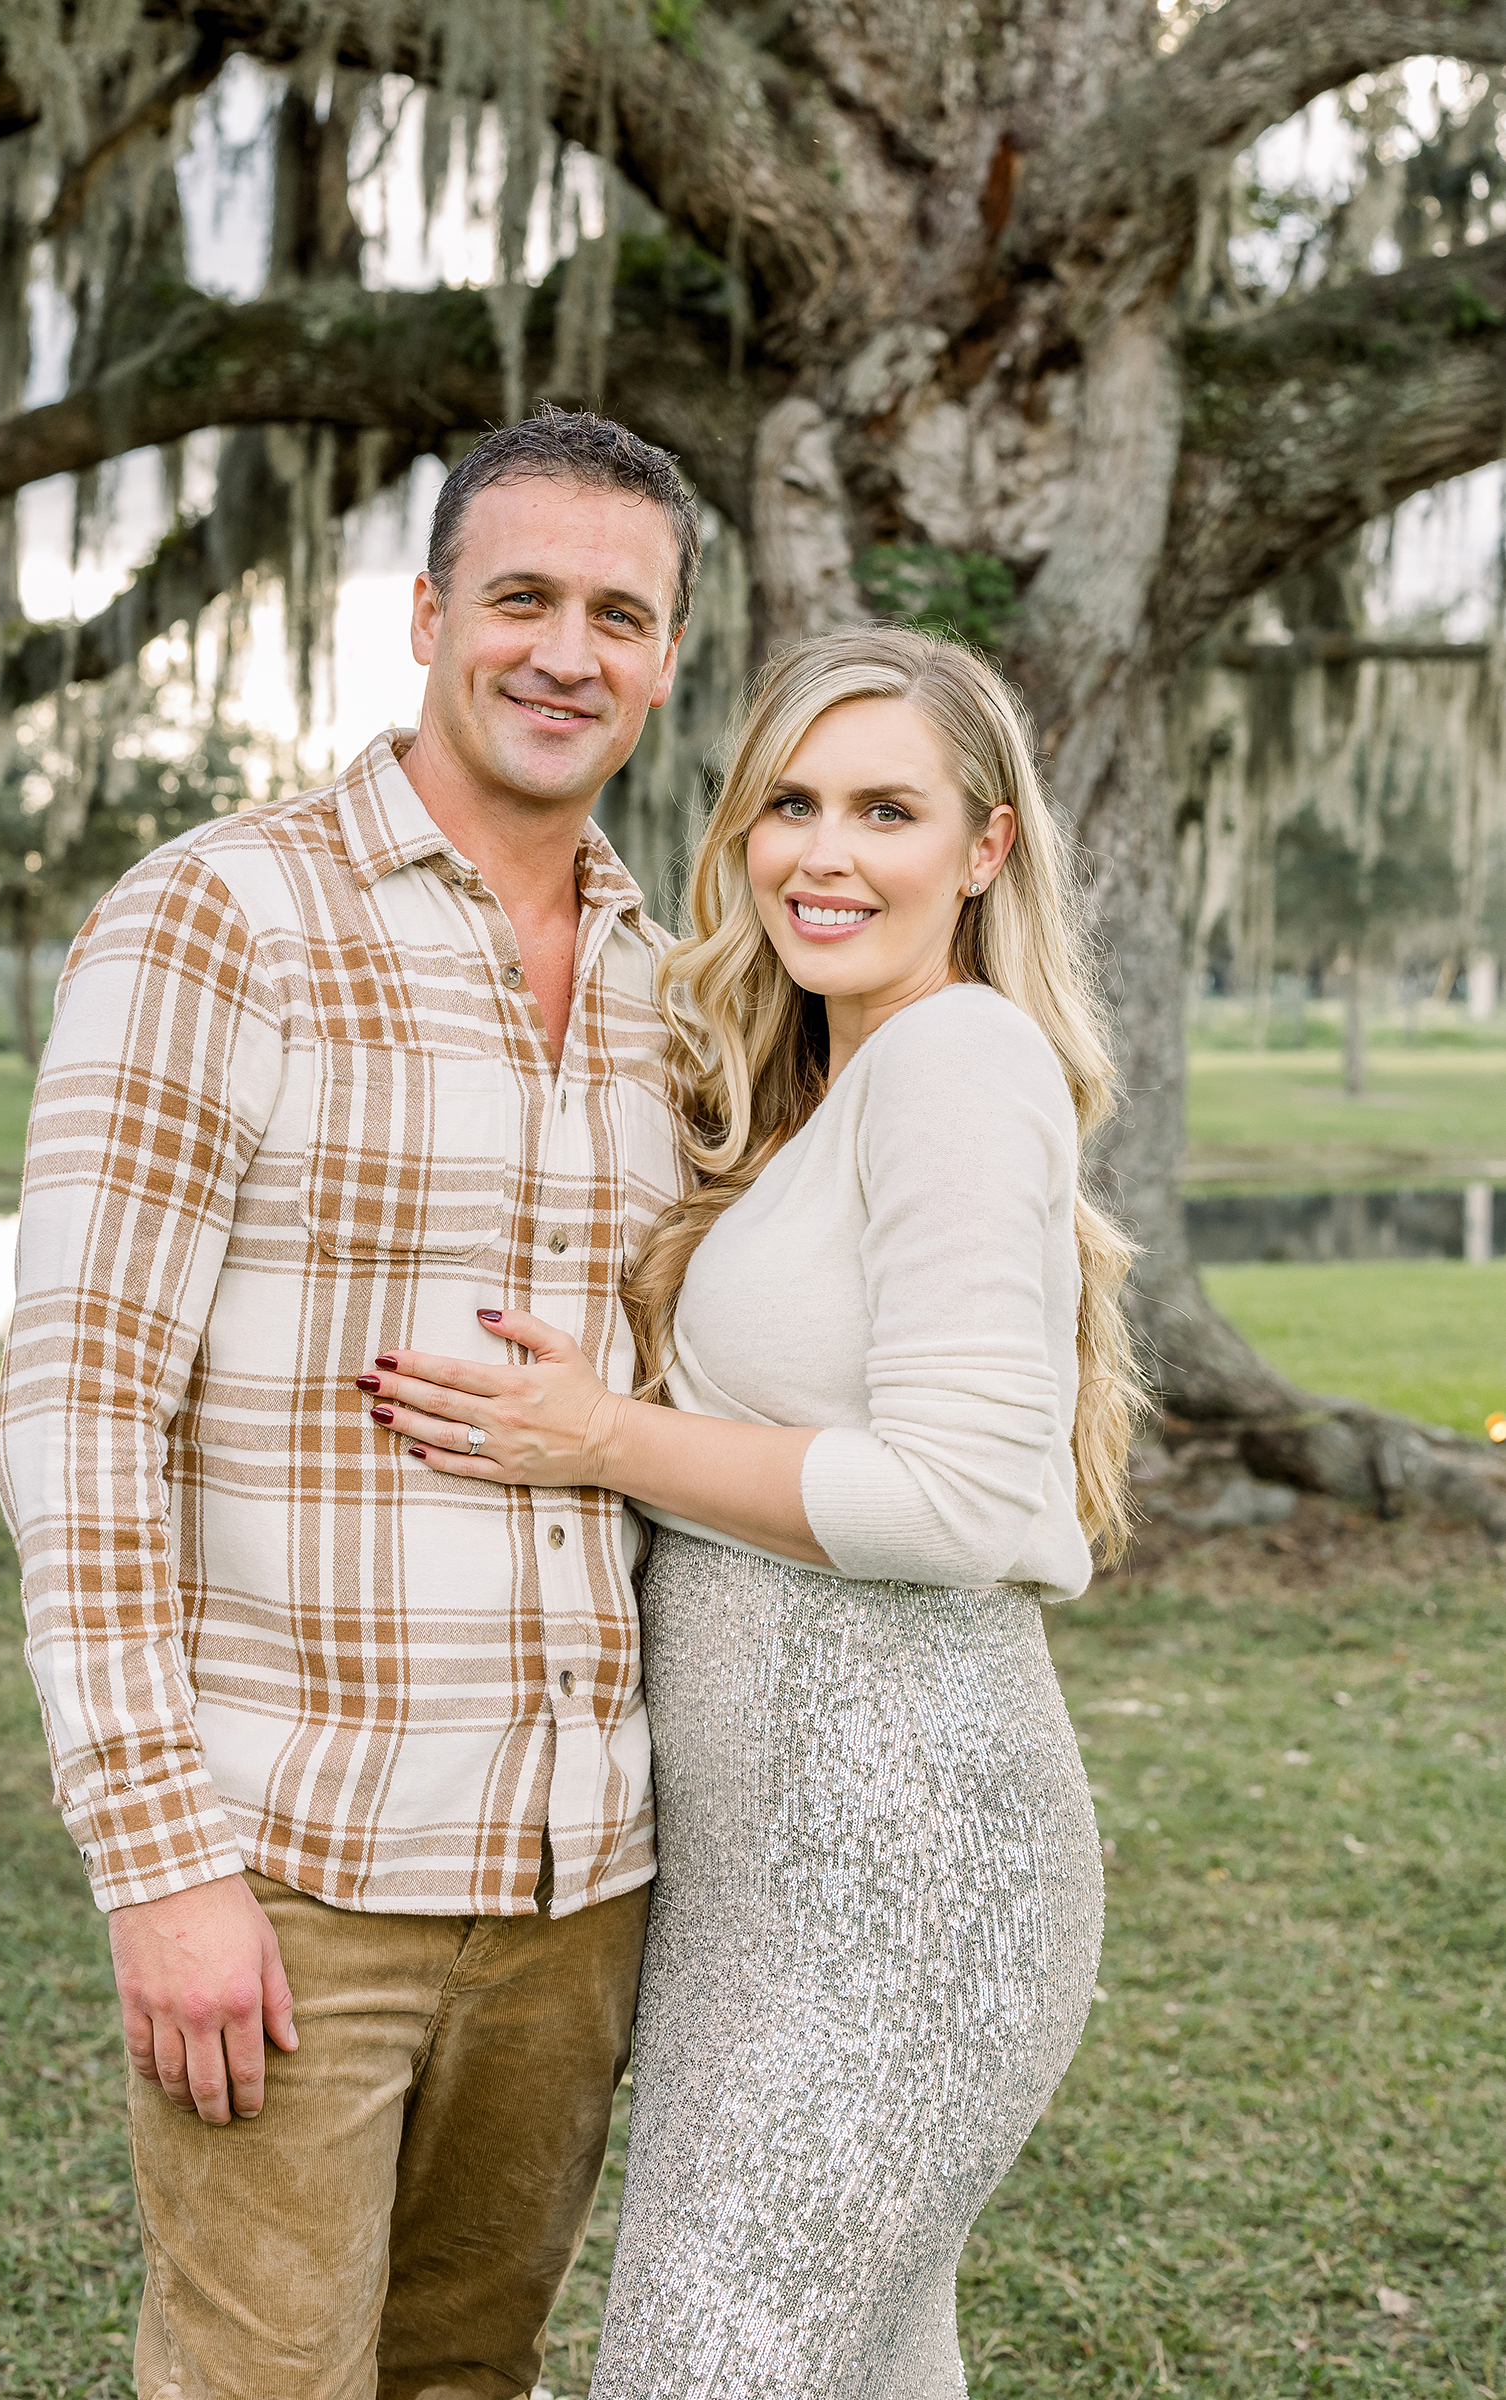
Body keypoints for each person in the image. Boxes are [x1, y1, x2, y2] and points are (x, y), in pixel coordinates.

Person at [0, 405, 699, 2400]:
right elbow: (77, 1406)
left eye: (618, 616)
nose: (566, 652)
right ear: (424, 615)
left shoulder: (673, 983)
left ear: (662, 659)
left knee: (466, 2378)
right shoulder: (223, 917)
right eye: (523, 598)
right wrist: (159, 1861)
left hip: (580, 1880)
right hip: (297, 1869)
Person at [358, 626, 1142, 2397]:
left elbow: (954, 1498)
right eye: (787, 802)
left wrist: (602, 1435)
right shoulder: (830, 1088)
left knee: (707, 2369)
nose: (824, 853)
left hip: (906, 1870)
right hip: (765, 1885)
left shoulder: (956, 1062)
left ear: (986, 848)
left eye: (887, 809)